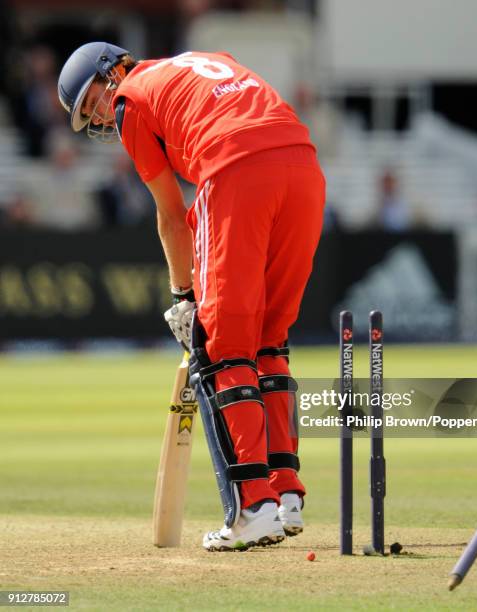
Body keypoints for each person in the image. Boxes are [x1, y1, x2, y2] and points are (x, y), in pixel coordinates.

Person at [57, 42, 325, 551]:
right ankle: (286, 497)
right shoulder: (203, 58)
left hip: (237, 169)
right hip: (304, 166)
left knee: (223, 346)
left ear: (111, 71)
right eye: (89, 114)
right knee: (269, 341)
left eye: (91, 102)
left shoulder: (130, 100)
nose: (98, 116)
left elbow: (170, 215)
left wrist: (184, 296)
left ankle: (252, 508)